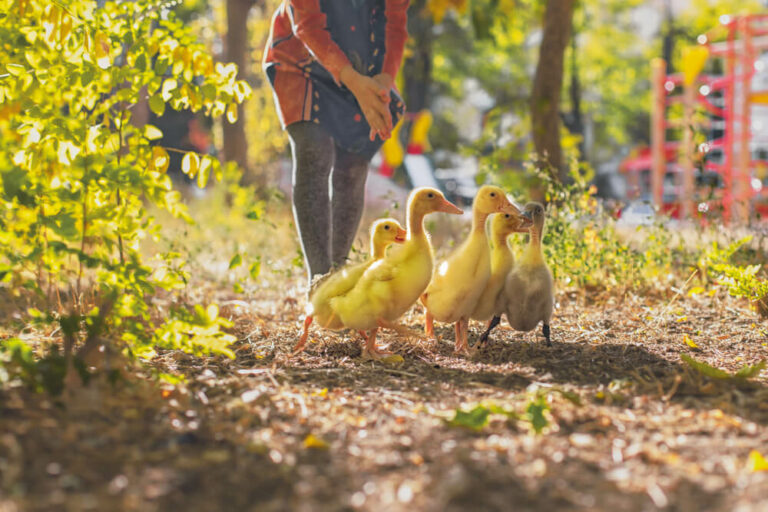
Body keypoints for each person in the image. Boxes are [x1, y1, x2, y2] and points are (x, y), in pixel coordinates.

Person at [263, 0, 409, 283]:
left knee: (353, 164)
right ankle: (319, 280)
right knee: (314, 150)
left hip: (363, 65)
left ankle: (338, 275)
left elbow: (395, 26)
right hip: (299, 59)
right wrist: (353, 82)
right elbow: (308, 26)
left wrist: (384, 79)